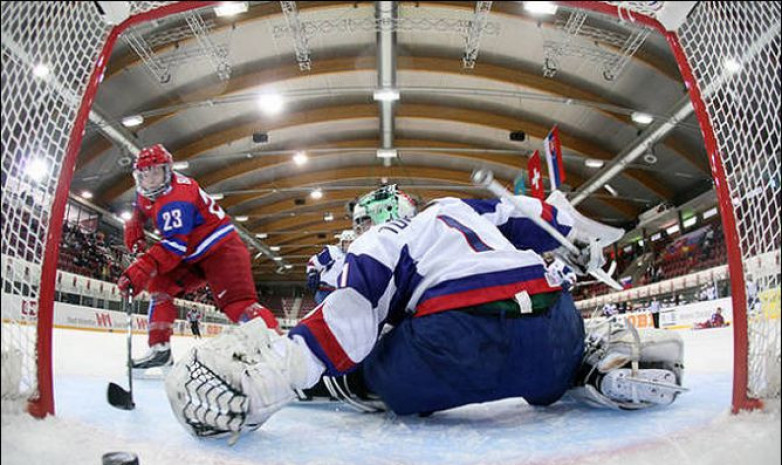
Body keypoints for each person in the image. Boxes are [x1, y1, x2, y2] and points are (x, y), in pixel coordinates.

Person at [164, 185, 686, 440]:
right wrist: (575, 238)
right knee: (552, 337)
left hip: (449, 348)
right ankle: (588, 365)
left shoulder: (386, 236)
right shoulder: (462, 207)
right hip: (553, 324)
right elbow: (536, 216)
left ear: (375, 217)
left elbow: (354, 305)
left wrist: (281, 373)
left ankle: (334, 385)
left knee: (368, 353)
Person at [117, 144, 279, 373]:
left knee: (237, 305)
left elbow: (173, 248)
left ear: (168, 170)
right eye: (144, 174)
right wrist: (136, 240)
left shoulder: (176, 198)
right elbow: (138, 215)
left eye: (155, 172)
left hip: (221, 249)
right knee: (160, 285)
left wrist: (140, 268)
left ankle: (280, 351)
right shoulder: (146, 191)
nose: (150, 180)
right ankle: (160, 349)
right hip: (191, 254)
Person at [306, 229, 356, 305]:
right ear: (341, 242)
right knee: (325, 315)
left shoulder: (357, 257)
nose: (348, 244)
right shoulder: (332, 252)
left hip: (344, 293)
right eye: (346, 242)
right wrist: (312, 273)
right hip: (326, 291)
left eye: (351, 242)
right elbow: (314, 262)